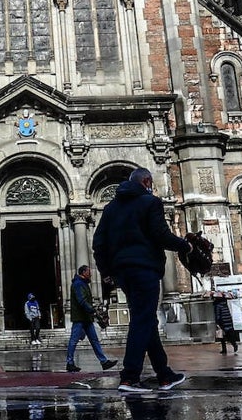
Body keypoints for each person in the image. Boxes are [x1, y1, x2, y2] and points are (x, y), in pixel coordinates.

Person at [92, 167, 192, 393]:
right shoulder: (150, 203)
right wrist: (185, 245)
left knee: (146, 320)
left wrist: (106, 271)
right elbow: (161, 235)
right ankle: (130, 377)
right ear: (146, 181)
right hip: (144, 269)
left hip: (122, 273)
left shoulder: (110, 208)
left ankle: (164, 375)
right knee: (142, 320)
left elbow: (98, 244)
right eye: (151, 183)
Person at [65, 266, 117, 372]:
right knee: (74, 340)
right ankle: (69, 363)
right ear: (83, 272)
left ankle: (104, 361)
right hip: (80, 317)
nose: (91, 274)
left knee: (94, 340)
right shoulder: (78, 284)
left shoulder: (83, 283)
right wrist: (93, 310)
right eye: (89, 272)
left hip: (86, 318)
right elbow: (82, 301)